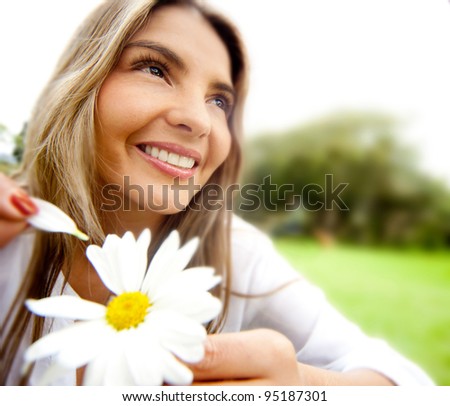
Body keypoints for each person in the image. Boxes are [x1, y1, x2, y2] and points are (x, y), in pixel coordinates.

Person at [0, 0, 433, 386]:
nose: (200, 121)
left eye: (219, 101)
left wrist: (302, 385)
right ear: (83, 84)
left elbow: (411, 384)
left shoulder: (237, 255)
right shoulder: (10, 238)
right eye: (155, 69)